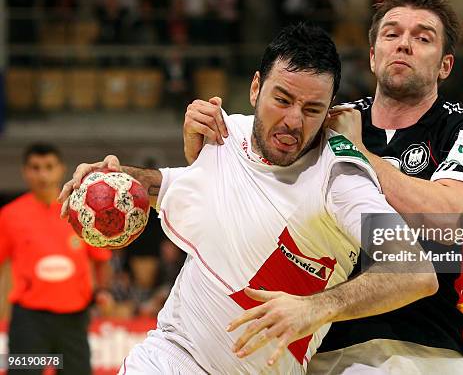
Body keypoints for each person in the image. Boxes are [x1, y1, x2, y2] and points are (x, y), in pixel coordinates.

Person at [59, 23, 437, 374]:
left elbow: (415, 272)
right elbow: (172, 186)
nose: (293, 120)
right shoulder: (226, 134)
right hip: (172, 354)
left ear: (330, 110)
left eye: (311, 110)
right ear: (256, 88)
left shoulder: (341, 176)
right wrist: (116, 180)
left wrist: (315, 308)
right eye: (282, 99)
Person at [182, 0, 463, 374]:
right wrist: (204, 152)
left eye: (423, 37)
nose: (404, 45)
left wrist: (361, 154)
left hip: (424, 349)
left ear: (445, 66)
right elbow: (260, 185)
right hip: (322, 344)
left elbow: (451, 215)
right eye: (391, 34)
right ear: (372, 56)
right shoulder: (327, 120)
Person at [0, 143, 112, 375]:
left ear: (61, 169)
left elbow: (101, 257)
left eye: (49, 167)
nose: (43, 174)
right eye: (35, 167)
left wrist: (102, 290)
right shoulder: (9, 216)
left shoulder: (81, 212)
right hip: (29, 322)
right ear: (25, 171)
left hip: (74, 321)